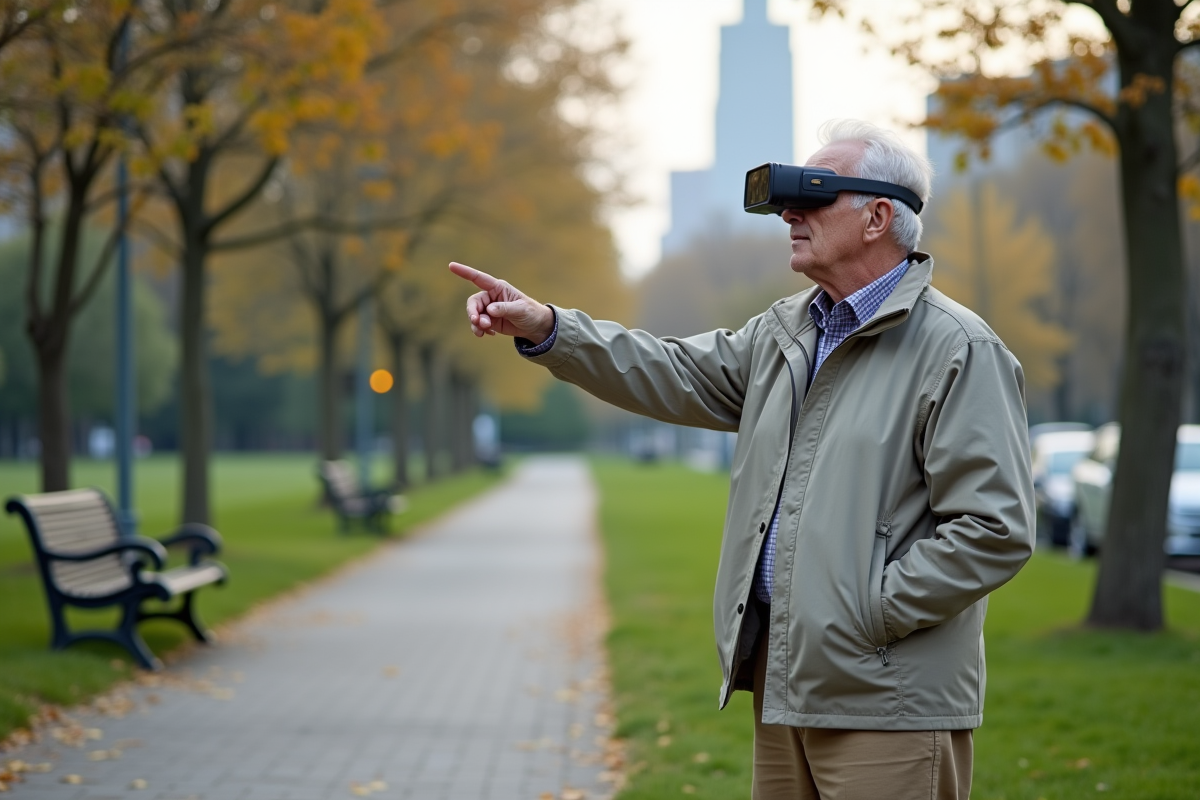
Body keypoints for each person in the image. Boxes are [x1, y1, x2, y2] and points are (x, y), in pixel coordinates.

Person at [450, 119, 1034, 800]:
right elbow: (669, 369)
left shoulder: (957, 348)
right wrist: (550, 328)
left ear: (878, 217)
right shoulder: (785, 334)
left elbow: (994, 530)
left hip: (888, 702)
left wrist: (867, 611)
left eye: (813, 195)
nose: (790, 213)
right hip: (785, 688)